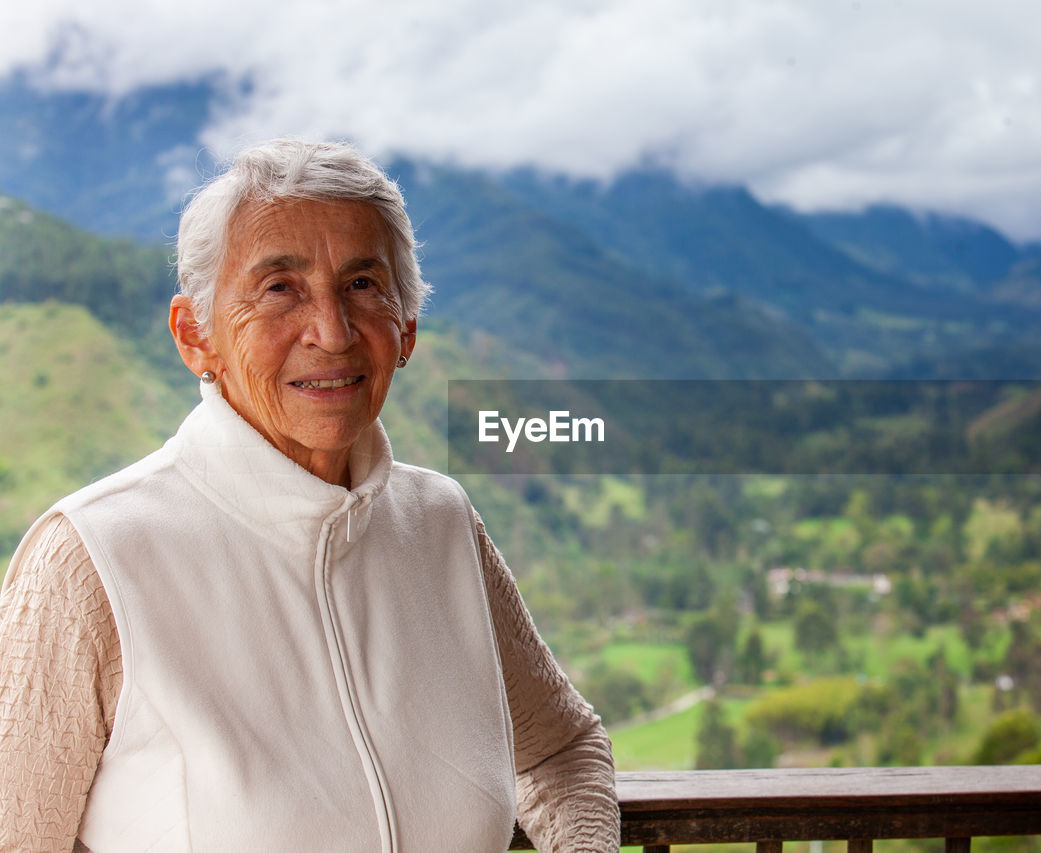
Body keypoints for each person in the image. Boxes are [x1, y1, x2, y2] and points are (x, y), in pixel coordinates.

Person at [0, 139, 620, 852]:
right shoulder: (91, 560)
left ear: (407, 327)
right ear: (194, 336)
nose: (331, 332)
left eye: (362, 284)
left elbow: (560, 748)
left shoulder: (441, 523)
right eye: (278, 288)